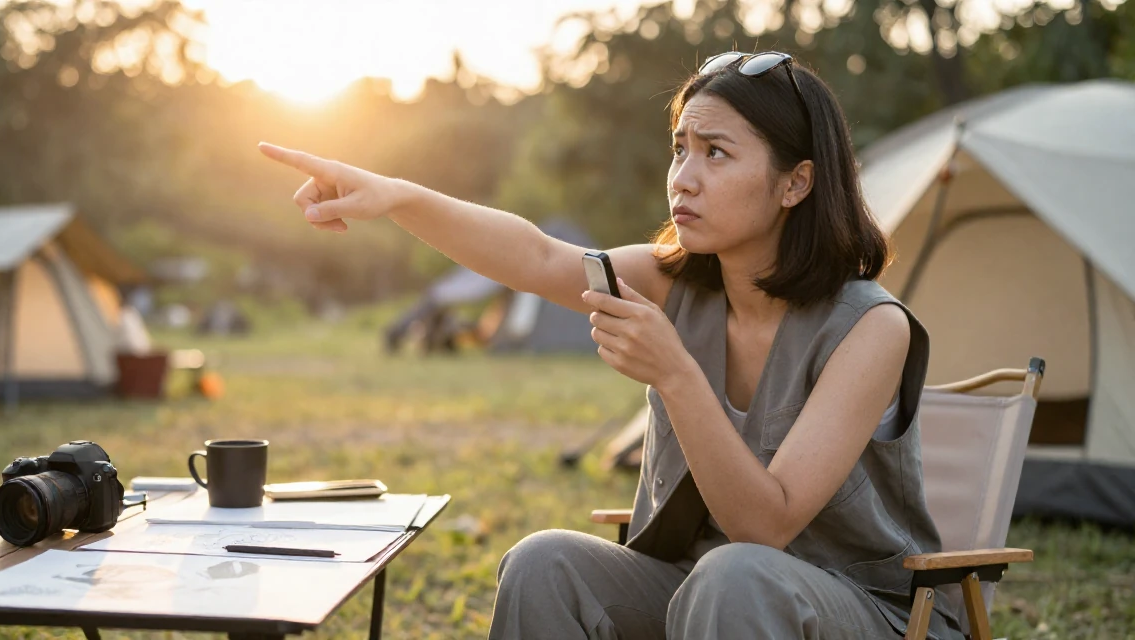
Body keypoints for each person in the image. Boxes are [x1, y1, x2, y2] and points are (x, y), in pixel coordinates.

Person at [260, 50, 963, 640]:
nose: (683, 177)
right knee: (545, 565)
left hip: (865, 610)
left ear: (796, 182)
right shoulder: (678, 284)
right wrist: (396, 196)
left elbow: (764, 527)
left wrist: (677, 375)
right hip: (708, 592)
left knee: (736, 571)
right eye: (681, 148)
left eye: (716, 153)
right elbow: (536, 257)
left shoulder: (871, 329)